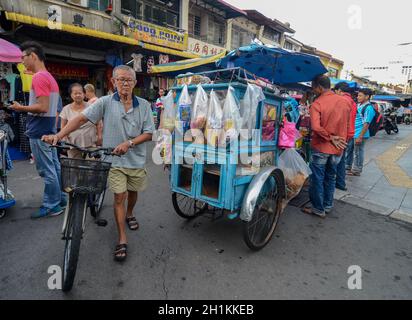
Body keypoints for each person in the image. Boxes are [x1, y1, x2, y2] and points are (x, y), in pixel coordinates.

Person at [43, 65, 155, 262]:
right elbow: (80, 119)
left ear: (135, 83)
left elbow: (148, 133)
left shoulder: (144, 105)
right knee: (119, 196)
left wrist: (129, 143)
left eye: (129, 80)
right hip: (113, 159)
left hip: (135, 159)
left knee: (133, 192)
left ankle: (130, 213)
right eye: (120, 79)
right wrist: (58, 135)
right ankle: (122, 238)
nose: (125, 83)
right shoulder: (104, 102)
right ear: (113, 82)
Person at [11, 41, 66, 219]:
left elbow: (42, 107)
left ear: (33, 56)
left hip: (39, 131)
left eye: (23, 57)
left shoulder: (39, 77)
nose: (22, 62)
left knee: (46, 170)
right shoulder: (49, 77)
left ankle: (52, 205)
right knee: (55, 167)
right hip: (49, 129)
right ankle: (61, 199)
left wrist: (20, 108)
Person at [302, 75, 351, 218]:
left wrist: (330, 137)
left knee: (317, 178)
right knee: (330, 177)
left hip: (322, 146)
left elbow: (316, 127)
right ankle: (328, 205)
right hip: (338, 148)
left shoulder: (317, 103)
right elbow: (348, 125)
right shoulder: (345, 102)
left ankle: (318, 208)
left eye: (313, 87)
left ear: (319, 87)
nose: (313, 90)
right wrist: (339, 139)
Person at [60, 83, 101, 159]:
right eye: (75, 93)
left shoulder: (91, 107)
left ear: (84, 94)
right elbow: (63, 126)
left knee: (91, 166)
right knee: (75, 167)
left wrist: (99, 136)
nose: (78, 95)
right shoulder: (66, 109)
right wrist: (64, 138)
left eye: (80, 93)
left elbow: (99, 123)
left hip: (91, 143)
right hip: (73, 144)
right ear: (71, 95)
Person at [334, 82, 357, 191]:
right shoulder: (352, 101)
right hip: (348, 133)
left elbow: (339, 120)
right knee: (341, 159)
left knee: (334, 159)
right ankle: (340, 183)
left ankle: (337, 182)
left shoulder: (342, 101)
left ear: (339, 90)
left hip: (341, 134)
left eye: (335, 91)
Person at [346, 88, 376, 177]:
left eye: (360, 95)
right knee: (350, 150)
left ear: (367, 97)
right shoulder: (359, 105)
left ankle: (356, 170)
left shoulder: (369, 108)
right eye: (358, 95)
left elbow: (366, 123)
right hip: (354, 132)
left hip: (360, 134)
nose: (358, 97)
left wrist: (360, 136)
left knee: (358, 152)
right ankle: (347, 167)